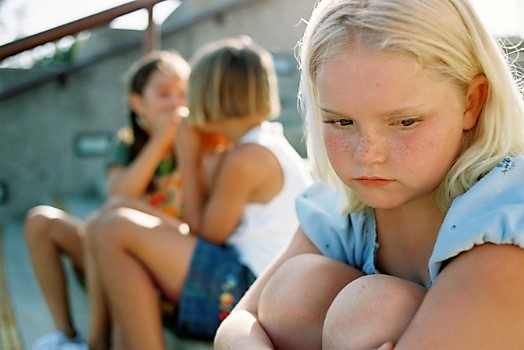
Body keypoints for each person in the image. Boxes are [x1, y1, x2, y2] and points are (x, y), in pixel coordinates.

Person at [214, 0, 524, 349]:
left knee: (371, 310)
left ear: (472, 102)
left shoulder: (508, 213)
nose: (367, 155)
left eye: (405, 122)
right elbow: (239, 321)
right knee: (295, 289)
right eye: (341, 122)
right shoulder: (344, 208)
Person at [85, 35, 313, 350]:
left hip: (251, 290)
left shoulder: (247, 158)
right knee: (114, 217)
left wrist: (188, 158)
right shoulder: (258, 144)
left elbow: (205, 235)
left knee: (114, 229)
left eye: (191, 91)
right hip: (249, 278)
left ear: (212, 96)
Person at [24, 50, 191, 350]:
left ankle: (96, 343)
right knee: (41, 221)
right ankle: (66, 336)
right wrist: (158, 143)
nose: (176, 103)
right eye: (165, 94)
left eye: (183, 94)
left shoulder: (193, 143)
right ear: (137, 103)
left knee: (103, 224)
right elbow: (119, 194)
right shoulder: (128, 143)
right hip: (114, 245)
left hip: (159, 257)